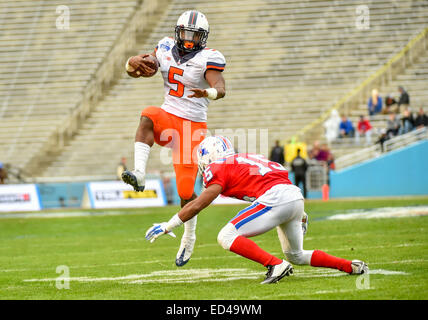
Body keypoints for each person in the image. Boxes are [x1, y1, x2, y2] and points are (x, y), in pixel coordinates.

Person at [145, 136, 368, 284]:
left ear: (208, 155)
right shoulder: (248, 158)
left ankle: (275, 265)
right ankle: (351, 266)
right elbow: (275, 175)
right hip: (293, 197)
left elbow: (200, 202)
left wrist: (169, 224)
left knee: (226, 235)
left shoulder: (218, 166)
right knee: (296, 255)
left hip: (275, 198)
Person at [121, 10, 227, 267]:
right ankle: (140, 173)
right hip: (168, 117)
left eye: (195, 35)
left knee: (185, 192)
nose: (189, 39)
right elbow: (137, 70)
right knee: (148, 114)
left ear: (203, 37)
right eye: (186, 33)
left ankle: (189, 236)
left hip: (192, 129)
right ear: (178, 32)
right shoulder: (165, 46)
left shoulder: (209, 57)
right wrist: (131, 62)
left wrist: (209, 92)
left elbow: (221, 88)